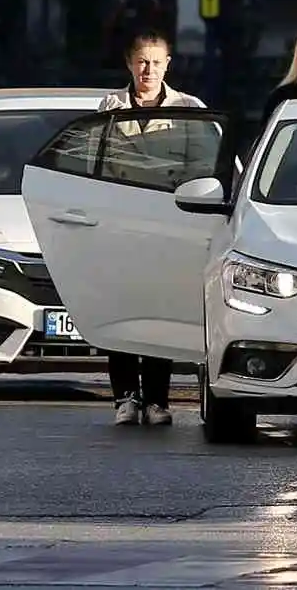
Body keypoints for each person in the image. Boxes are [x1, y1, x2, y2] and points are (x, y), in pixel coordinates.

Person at [98, 29, 206, 427]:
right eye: (142, 61)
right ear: (129, 64)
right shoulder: (110, 107)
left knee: (159, 312)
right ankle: (125, 397)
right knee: (123, 312)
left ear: (168, 65)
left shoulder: (189, 108)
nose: (149, 69)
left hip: (167, 226)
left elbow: (201, 167)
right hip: (121, 227)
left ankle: (158, 399)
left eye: (156, 62)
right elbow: (98, 163)